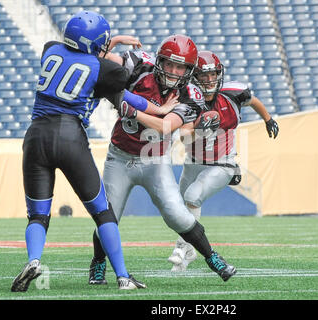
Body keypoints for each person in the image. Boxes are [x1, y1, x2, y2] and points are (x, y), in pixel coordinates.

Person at [10, 11, 164, 292]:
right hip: (69, 136)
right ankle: (123, 276)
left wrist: (109, 42)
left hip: (35, 136)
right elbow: (119, 85)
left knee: (37, 215)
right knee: (103, 213)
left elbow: (83, 56)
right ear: (97, 43)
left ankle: (34, 259)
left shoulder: (50, 50)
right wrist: (114, 43)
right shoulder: (104, 71)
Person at [88, 34, 237, 284]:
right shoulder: (139, 65)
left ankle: (212, 257)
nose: (174, 71)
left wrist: (134, 109)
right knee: (109, 216)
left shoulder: (191, 94)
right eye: (169, 64)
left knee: (177, 215)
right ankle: (98, 262)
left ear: (189, 70)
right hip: (120, 157)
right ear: (159, 61)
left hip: (154, 161)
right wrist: (113, 42)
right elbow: (96, 61)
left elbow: (165, 128)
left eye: (180, 67)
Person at [167, 50, 279, 271]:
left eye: (212, 74)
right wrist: (200, 130)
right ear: (194, 77)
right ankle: (189, 251)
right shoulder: (188, 98)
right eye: (203, 75)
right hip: (193, 161)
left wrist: (268, 119)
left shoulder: (232, 95)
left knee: (192, 197)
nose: (209, 80)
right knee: (180, 211)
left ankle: (181, 248)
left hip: (222, 164)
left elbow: (253, 100)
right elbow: (183, 135)